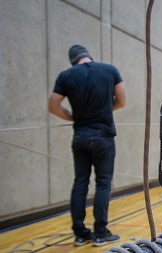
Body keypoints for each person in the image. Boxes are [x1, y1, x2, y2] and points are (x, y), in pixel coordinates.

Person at [48, 45, 126, 246]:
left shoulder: (66, 76)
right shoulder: (110, 70)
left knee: (80, 182)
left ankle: (80, 234)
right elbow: (122, 100)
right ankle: (101, 233)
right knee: (103, 183)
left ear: (73, 60)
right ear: (88, 56)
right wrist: (107, 108)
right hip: (103, 136)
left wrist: (73, 117)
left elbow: (53, 106)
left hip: (80, 135)